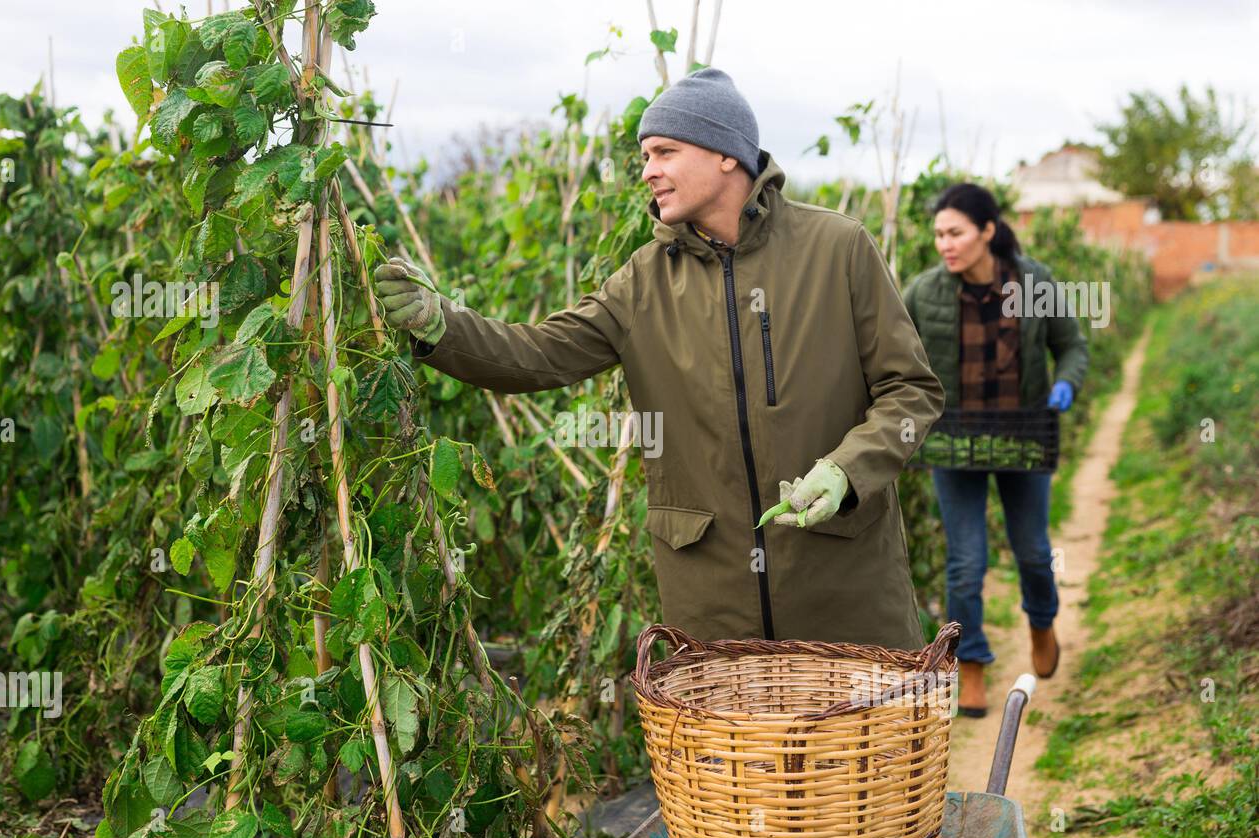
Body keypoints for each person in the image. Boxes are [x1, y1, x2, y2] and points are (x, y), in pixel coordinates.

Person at [371, 68, 944, 649]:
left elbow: (911, 390)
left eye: (665, 151)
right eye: (645, 155)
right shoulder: (642, 282)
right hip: (713, 604)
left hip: (843, 587)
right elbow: (537, 354)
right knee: (728, 741)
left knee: (857, 740)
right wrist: (442, 324)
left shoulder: (838, 249)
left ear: (726, 154)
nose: (648, 171)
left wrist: (848, 468)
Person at [903, 183, 1089, 715]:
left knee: (1032, 549)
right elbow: (898, 360)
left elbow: (1071, 345)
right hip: (957, 441)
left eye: (955, 232)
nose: (945, 244)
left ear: (987, 231)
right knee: (965, 563)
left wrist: (1066, 385)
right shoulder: (925, 292)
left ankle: (1041, 620)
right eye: (939, 234)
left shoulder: (1034, 284)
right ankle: (972, 666)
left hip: (1024, 437)